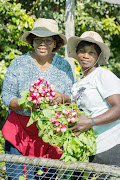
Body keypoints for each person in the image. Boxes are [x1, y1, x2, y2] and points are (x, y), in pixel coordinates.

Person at [1, 18, 74, 180]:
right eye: (38, 40)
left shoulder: (63, 66)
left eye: (48, 40)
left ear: (55, 43)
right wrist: (25, 103)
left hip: (51, 134)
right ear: (32, 42)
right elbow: (6, 96)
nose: (42, 44)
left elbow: (73, 98)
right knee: (18, 177)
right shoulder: (19, 63)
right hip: (20, 132)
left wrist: (62, 98)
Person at [67, 31, 120, 179]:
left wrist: (91, 122)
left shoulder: (103, 75)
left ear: (98, 57)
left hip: (108, 146)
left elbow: (119, 108)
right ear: (76, 53)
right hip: (88, 148)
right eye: (82, 51)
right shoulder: (78, 83)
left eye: (91, 52)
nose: (86, 55)